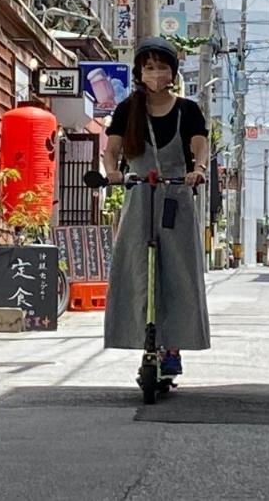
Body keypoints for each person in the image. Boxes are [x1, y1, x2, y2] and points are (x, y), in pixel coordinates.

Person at [101, 37, 210, 378]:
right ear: (139, 72)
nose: (156, 73)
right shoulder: (126, 110)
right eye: (149, 67)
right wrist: (114, 173)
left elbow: (199, 145)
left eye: (162, 67)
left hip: (176, 196)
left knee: (178, 271)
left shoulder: (188, 110)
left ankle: (174, 346)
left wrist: (197, 170)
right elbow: (112, 149)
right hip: (139, 196)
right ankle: (139, 337)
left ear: (173, 73)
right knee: (135, 267)